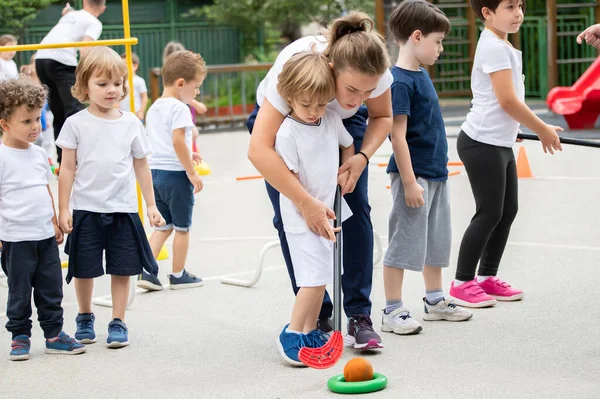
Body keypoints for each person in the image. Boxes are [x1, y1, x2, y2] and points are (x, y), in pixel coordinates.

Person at [247, 11, 393, 350]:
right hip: (289, 119)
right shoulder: (295, 69)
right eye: (352, 88)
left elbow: (382, 116)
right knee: (296, 217)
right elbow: (258, 149)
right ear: (331, 69)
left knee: (354, 210)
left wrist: (361, 156)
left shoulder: (375, 75)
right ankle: (317, 315)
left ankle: (358, 314)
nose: (358, 100)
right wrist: (305, 201)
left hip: (342, 131)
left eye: (367, 91)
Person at [449, 0, 563, 307]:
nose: (518, 14)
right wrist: (542, 128)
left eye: (520, 6)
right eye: (509, 7)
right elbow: (507, 101)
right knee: (489, 213)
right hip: (481, 142)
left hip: (498, 141)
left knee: (506, 211)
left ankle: (486, 277)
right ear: (487, 13)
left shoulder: (502, 44)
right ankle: (462, 282)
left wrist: (517, 128)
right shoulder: (494, 47)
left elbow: (506, 104)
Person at [56, 47, 165, 348]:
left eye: (116, 83)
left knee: (122, 267)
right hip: (86, 210)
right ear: (84, 86)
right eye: (102, 84)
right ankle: (85, 315)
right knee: (84, 267)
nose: (111, 90)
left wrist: (152, 205)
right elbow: (67, 168)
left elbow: (142, 164)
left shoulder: (131, 122)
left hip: (123, 209)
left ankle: (118, 321)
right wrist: (64, 207)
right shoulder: (75, 124)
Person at [382, 0, 473, 337]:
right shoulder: (400, 81)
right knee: (404, 243)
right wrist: (408, 182)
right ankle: (392, 309)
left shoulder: (419, 75)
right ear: (417, 37)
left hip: (435, 174)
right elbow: (397, 135)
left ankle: (435, 301)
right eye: (437, 41)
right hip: (415, 176)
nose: (441, 48)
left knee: (436, 241)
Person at [273, 51, 355, 365]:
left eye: (320, 103)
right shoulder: (287, 132)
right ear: (289, 96)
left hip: (330, 211)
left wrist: (347, 167)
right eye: (306, 104)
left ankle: (309, 331)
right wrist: (310, 207)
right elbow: (291, 181)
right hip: (302, 215)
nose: (313, 111)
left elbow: (347, 143)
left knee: (324, 274)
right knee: (313, 278)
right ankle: (291, 334)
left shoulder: (331, 119)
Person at [0, 77, 86, 361]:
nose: (35, 127)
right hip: (15, 239)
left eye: (38, 118)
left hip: (44, 236)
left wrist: (53, 219)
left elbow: (43, 189)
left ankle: (53, 334)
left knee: (51, 287)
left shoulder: (38, 154)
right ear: (5, 124)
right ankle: (20, 336)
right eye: (27, 121)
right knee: (19, 290)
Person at [137, 50, 206, 291]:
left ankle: (147, 271)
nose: (197, 92)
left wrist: (190, 152)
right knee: (182, 228)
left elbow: (164, 141)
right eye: (196, 87)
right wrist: (191, 172)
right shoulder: (180, 108)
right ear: (181, 83)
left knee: (162, 227)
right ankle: (178, 275)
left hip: (156, 172)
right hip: (176, 175)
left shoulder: (156, 106)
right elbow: (177, 141)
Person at [35, 0, 106, 165]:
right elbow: (85, 47)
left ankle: (64, 161)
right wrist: (86, 76)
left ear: (84, 2)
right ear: (103, 8)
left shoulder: (72, 14)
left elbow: (69, 16)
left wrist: (68, 11)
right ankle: (79, 160)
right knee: (74, 111)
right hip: (62, 61)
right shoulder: (94, 22)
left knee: (59, 113)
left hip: (41, 59)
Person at [119, 52, 148, 121]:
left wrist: (141, 111)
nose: (124, 66)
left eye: (126, 63)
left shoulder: (139, 81)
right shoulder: (118, 81)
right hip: (121, 114)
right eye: (122, 64)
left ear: (135, 66)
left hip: (136, 114)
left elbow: (144, 97)